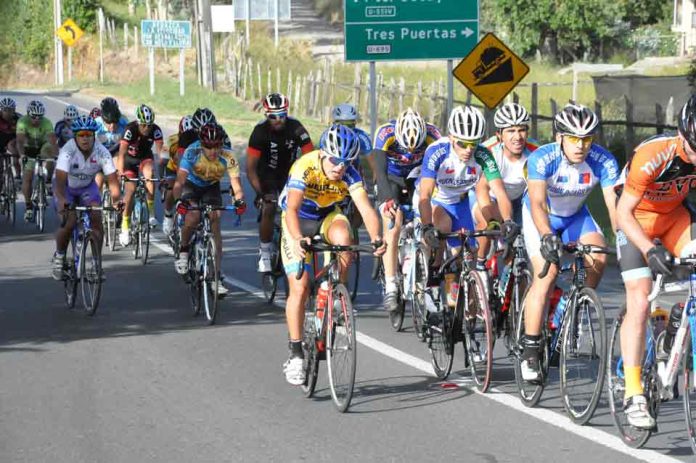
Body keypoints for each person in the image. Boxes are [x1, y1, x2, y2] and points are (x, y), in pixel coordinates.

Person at [279, 124, 385, 385]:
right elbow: (291, 210)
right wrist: (297, 239)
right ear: (323, 154)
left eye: (346, 162)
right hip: (297, 219)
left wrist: (377, 239)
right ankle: (295, 355)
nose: (340, 166)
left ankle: (335, 290)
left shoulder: (349, 173)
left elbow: (366, 208)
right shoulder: (305, 165)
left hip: (326, 215)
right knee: (300, 287)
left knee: (345, 240)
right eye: (335, 160)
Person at [521, 103, 619, 383]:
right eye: (574, 138)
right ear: (559, 137)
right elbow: (538, 203)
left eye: (587, 139)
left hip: (576, 216)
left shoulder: (603, 161)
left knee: (599, 256)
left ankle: (569, 306)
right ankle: (530, 350)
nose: (581, 145)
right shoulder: (542, 158)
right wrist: (547, 236)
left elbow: (615, 209)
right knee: (547, 273)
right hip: (541, 218)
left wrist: (625, 243)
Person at [614, 95, 696, 429]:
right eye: (694, 148)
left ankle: (679, 320)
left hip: (674, 218)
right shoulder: (654, 155)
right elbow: (622, 212)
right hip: (636, 221)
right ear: (682, 134)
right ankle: (633, 393)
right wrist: (649, 250)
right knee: (640, 298)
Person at [418, 105, 517, 307]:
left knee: (466, 256)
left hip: (460, 202)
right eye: (463, 144)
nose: (469, 149)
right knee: (441, 233)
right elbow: (425, 195)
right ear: (452, 137)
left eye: (474, 143)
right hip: (436, 200)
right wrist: (428, 226)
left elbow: (498, 192)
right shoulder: (437, 152)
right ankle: (432, 285)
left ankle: (459, 307)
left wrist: (506, 222)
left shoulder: (482, 155)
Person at [372, 107, 441, 311]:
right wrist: (387, 200)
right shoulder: (385, 133)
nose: (410, 152)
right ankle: (391, 285)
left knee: (428, 219)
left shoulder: (433, 135)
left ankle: (427, 280)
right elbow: (380, 173)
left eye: (415, 149)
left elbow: (440, 168)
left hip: (418, 177)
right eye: (406, 148)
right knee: (393, 223)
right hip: (391, 177)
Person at [173, 122, 246, 297]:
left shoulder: (229, 156)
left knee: (215, 219)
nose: (213, 151)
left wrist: (240, 201)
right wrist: (178, 201)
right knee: (193, 216)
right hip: (192, 184)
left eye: (217, 146)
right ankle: (183, 251)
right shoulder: (192, 152)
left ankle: (215, 277)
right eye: (208, 146)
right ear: (201, 144)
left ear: (222, 144)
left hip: (211, 187)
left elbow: (236, 187)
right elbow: (179, 182)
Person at [246, 93, 313, 273]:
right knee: (269, 206)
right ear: (266, 115)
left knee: (299, 207)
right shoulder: (259, 132)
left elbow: (311, 157)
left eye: (282, 115)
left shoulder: (296, 127)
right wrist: (260, 193)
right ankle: (265, 252)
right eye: (273, 116)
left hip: (290, 173)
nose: (278, 120)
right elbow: (250, 168)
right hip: (266, 173)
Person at [51, 115, 122, 280]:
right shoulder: (67, 151)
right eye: (81, 134)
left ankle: (97, 263)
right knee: (69, 221)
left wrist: (117, 200)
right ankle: (59, 257)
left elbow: (112, 180)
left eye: (88, 134)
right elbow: (60, 180)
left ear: (94, 135)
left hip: (87, 188)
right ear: (75, 136)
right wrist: (61, 200)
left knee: (97, 217)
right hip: (66, 187)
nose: (85, 138)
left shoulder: (102, 152)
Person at [117, 104, 164, 245]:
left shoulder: (155, 130)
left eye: (149, 125)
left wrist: (162, 171)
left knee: (150, 174)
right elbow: (121, 154)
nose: (146, 129)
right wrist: (120, 173)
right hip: (129, 160)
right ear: (138, 122)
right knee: (130, 191)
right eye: (143, 125)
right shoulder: (130, 130)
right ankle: (125, 226)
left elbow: (161, 153)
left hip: (145, 157)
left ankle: (150, 212)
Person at [16, 100, 59, 222]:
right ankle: (28, 206)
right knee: (27, 177)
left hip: (42, 146)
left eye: (39, 117)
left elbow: (52, 141)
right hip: (28, 148)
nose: (36, 120)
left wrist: (56, 156)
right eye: (33, 117)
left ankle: (48, 180)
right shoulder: (22, 122)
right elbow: (19, 141)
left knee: (50, 153)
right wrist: (22, 155)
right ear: (28, 115)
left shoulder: (47, 123)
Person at [162, 115, 197, 236]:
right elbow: (162, 161)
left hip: (191, 171)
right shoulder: (172, 141)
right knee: (172, 189)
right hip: (173, 168)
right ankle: (168, 215)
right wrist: (162, 179)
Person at [95, 97, 129, 190]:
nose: (112, 126)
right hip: (99, 154)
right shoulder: (95, 125)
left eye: (115, 122)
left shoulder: (124, 122)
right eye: (108, 123)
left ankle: (115, 200)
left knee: (116, 174)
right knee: (98, 182)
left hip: (115, 153)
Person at [0, 97, 21, 183]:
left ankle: (18, 175)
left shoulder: (19, 118)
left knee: (15, 157)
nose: (8, 112)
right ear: (1, 110)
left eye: (11, 110)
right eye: (6, 110)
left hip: (12, 140)